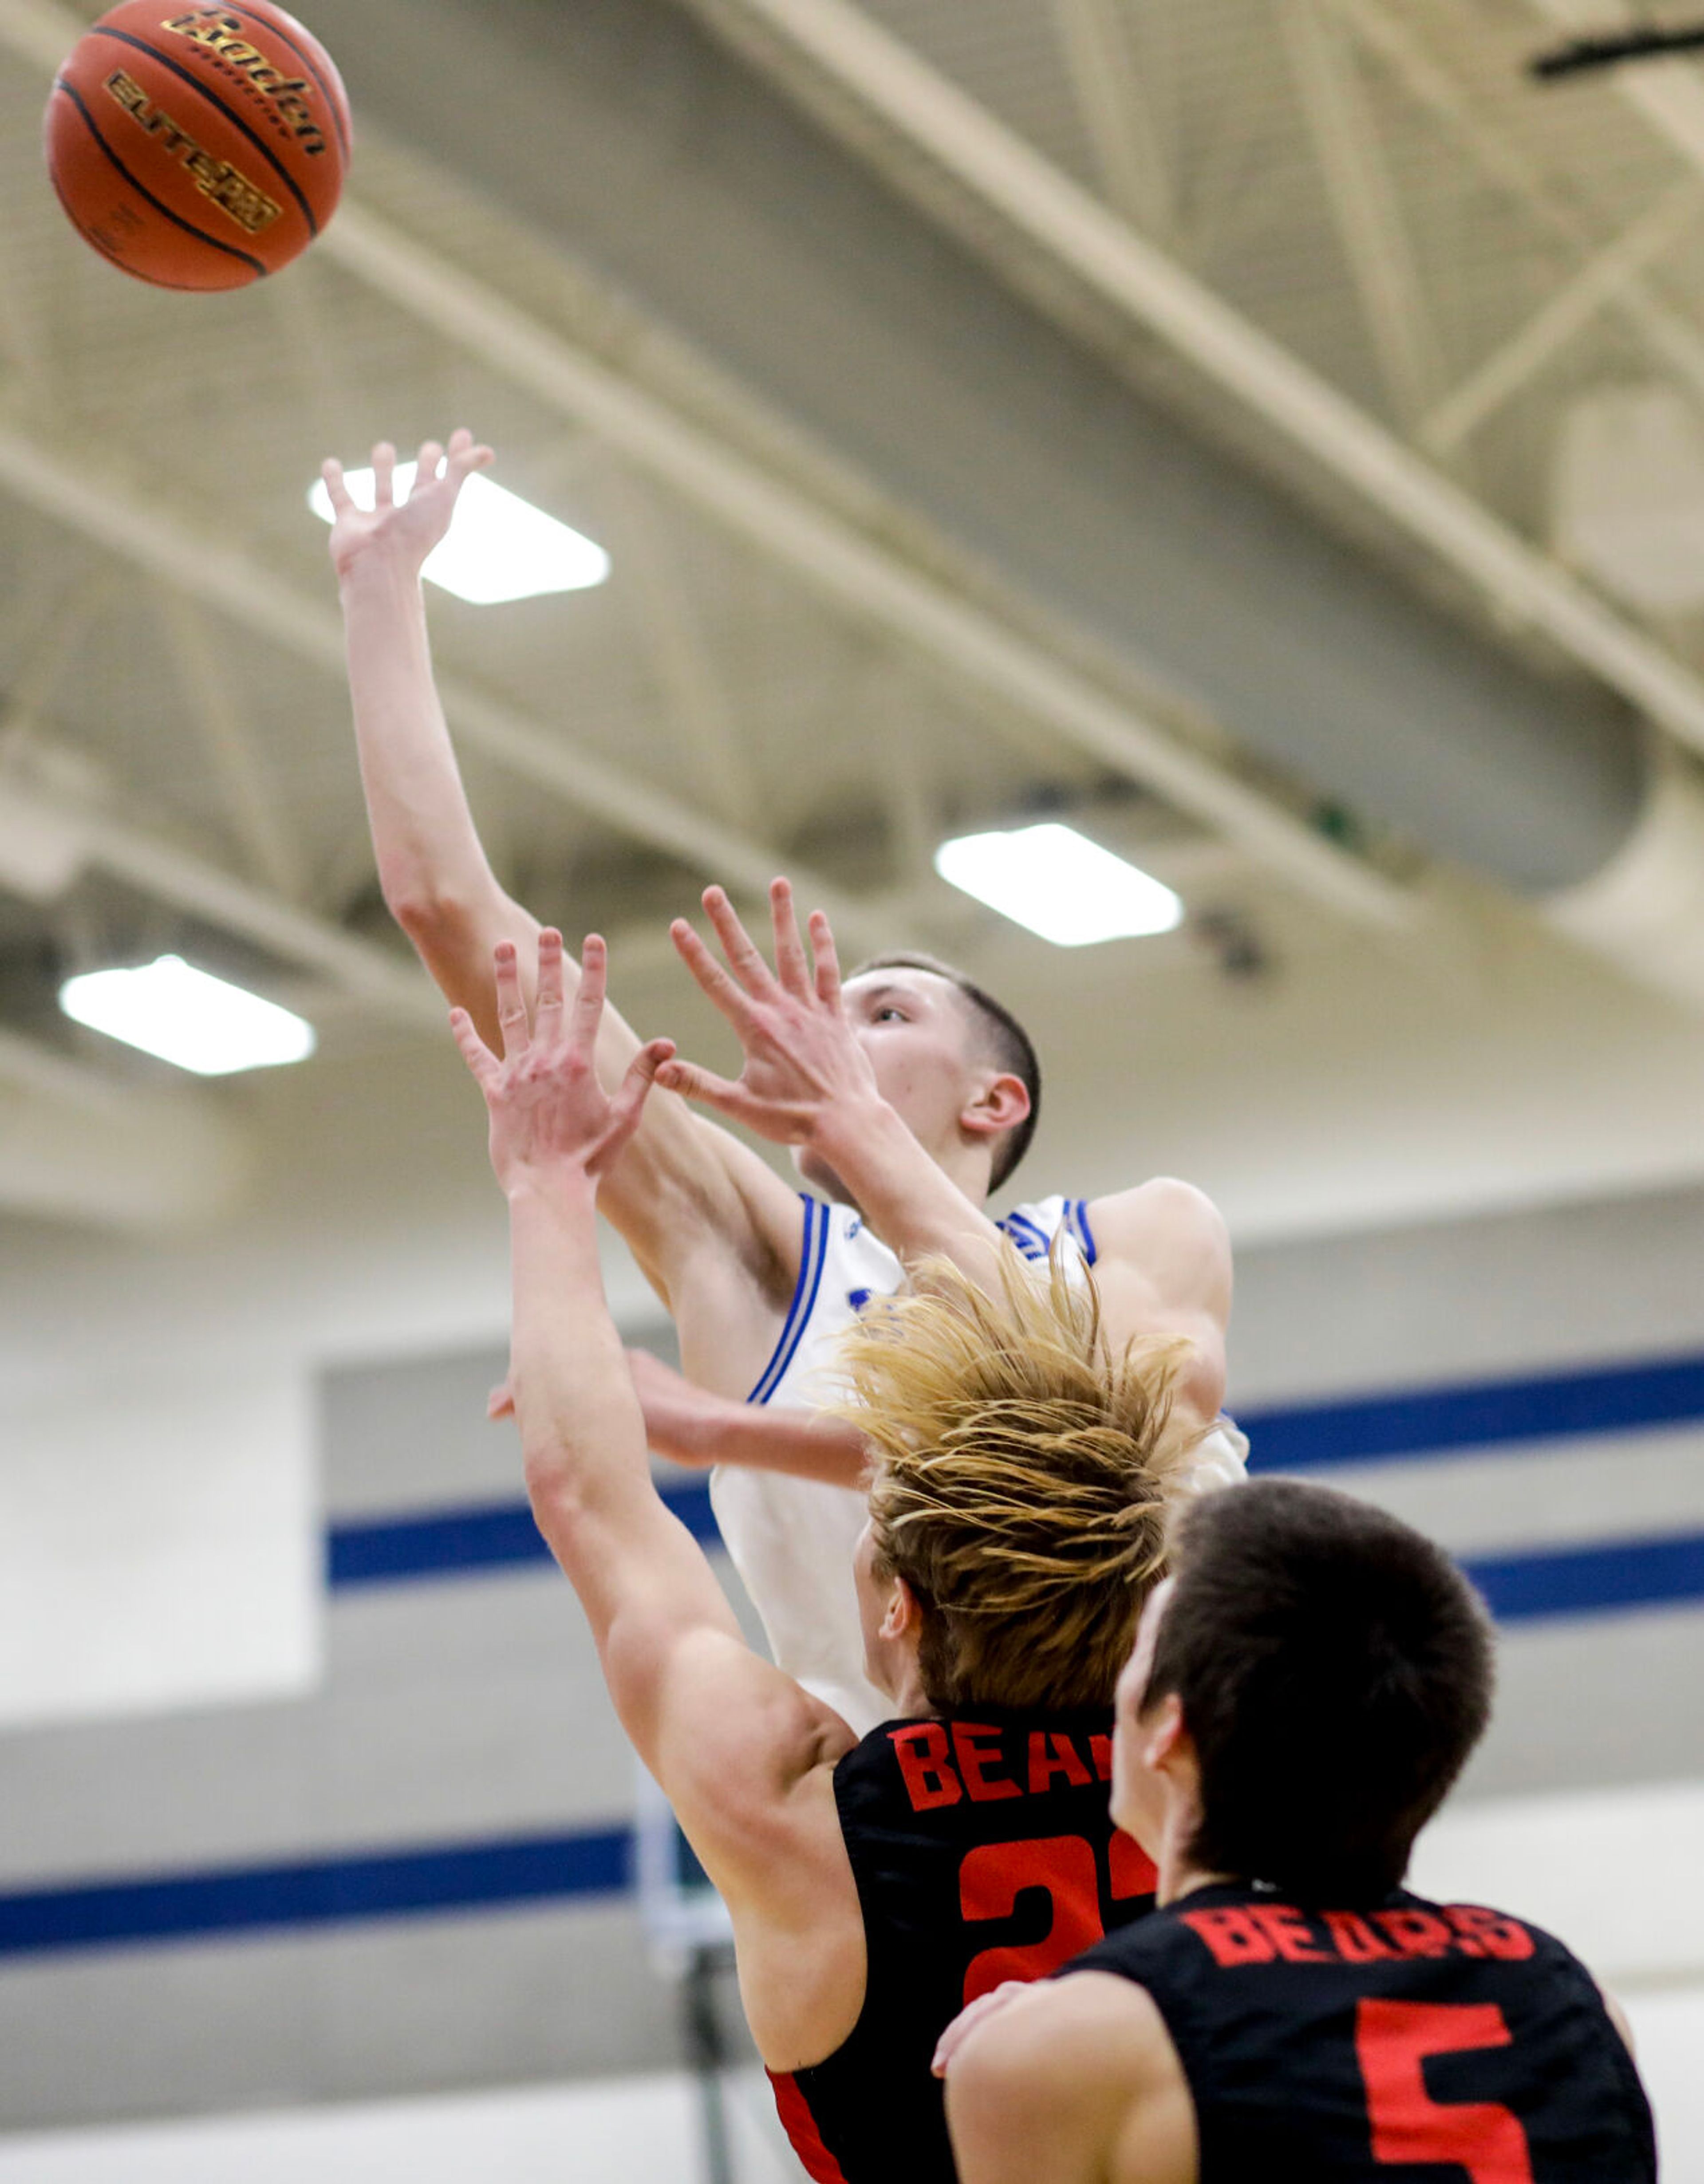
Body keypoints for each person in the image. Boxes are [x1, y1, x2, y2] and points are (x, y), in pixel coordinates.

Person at [323, 430, 1242, 1728]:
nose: (831, 1026)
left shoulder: (1146, 1230)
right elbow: (449, 912)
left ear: (995, 1101)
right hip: (876, 1857)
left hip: (1157, 1838)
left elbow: (1123, 1432)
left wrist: (722, 1427)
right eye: (832, 1006)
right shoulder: (760, 1259)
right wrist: (378, 593)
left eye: (885, 1010)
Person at [450, 925, 1209, 2183]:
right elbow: (1099, 1442)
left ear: (898, 1606)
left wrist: (545, 1192)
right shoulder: (1193, 1765)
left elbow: (588, 1495)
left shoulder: (792, 1802)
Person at [938, 1479, 1657, 2184]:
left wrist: (1056, 2027)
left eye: (1137, 1652)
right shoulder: (1576, 2002)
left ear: (1170, 1730)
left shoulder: (1048, 2055)